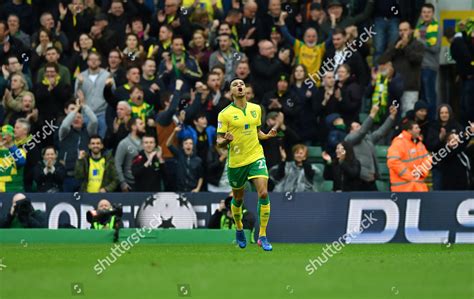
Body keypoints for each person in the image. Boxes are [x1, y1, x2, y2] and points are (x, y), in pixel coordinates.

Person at [216, 78, 277, 251]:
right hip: (236, 161)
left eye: (241, 84)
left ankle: (262, 236)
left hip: (255, 156)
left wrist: (268, 136)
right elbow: (218, 141)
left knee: (263, 193)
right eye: (235, 84)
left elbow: (257, 133)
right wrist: (224, 141)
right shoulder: (224, 114)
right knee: (238, 198)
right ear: (231, 92)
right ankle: (240, 229)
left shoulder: (256, 109)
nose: (239, 86)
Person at [345, 105, 398, 191]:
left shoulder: (367, 138)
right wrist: (372, 114)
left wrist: (391, 117)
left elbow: (381, 132)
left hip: (370, 180)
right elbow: (362, 132)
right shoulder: (349, 139)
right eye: (357, 127)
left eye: (360, 125)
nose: (361, 127)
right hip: (359, 180)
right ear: (351, 131)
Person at [379, 21, 424, 115]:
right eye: (400, 30)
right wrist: (395, 49)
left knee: (408, 115)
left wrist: (405, 47)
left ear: (411, 31)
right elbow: (382, 61)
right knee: (393, 116)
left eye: (405, 30)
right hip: (395, 88)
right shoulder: (395, 44)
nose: (402, 33)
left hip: (410, 87)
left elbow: (416, 60)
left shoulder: (418, 45)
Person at [387, 120, 432, 192]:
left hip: (419, 188)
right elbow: (393, 162)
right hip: (403, 189)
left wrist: (421, 171)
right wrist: (410, 176)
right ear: (409, 130)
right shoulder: (398, 143)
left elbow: (427, 159)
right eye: (416, 128)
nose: (419, 130)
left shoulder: (418, 143)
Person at [415, 3, 440, 119]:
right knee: (422, 98)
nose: (426, 14)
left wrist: (420, 41)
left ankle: (432, 122)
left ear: (432, 14)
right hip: (418, 67)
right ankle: (423, 124)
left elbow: (436, 48)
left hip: (429, 66)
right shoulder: (418, 27)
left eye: (429, 12)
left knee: (430, 97)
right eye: (424, 12)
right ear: (421, 13)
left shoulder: (437, 27)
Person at [166, 126, 204, 192]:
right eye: (186, 143)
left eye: (190, 144)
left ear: (193, 146)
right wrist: (174, 132)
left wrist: (198, 188)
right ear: (183, 146)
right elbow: (168, 144)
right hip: (180, 190)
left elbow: (201, 177)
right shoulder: (179, 155)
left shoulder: (198, 160)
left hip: (193, 191)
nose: (188, 145)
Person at [115, 117, 145, 192]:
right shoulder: (124, 143)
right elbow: (117, 164)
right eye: (141, 124)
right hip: (130, 184)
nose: (144, 125)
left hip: (145, 183)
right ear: (133, 127)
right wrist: (122, 183)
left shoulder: (146, 142)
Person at [0, 125, 26, 192]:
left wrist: (10, 146)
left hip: (12, 190)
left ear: (11, 137)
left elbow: (21, 162)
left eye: (6, 135)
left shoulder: (20, 151)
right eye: (2, 135)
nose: (3, 137)